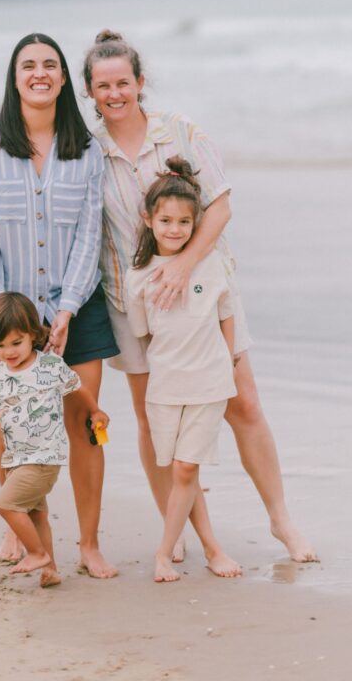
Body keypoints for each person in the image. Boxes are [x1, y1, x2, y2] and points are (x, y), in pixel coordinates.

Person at [83, 29, 317, 564]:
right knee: (153, 419)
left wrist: (184, 265)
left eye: (123, 82)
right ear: (91, 93)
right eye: (103, 86)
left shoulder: (180, 132)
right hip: (133, 303)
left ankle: (281, 521)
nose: (114, 93)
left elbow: (220, 206)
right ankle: (177, 527)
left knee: (244, 404)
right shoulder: (89, 153)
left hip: (204, 293)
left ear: (140, 83)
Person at [0, 32, 120, 579]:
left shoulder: (88, 151)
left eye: (49, 65)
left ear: (62, 79)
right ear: (15, 77)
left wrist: (66, 310)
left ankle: (90, 544)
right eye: (28, 65)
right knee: (10, 428)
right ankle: (24, 527)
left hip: (76, 306)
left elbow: (90, 236)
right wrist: (7, 314)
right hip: (6, 314)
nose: (39, 73)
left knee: (83, 425)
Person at [126, 157, 238, 583]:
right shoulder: (138, 278)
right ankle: (210, 547)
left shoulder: (209, 264)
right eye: (166, 220)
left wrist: (226, 358)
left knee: (187, 469)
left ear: (196, 224)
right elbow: (145, 337)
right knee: (178, 471)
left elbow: (226, 312)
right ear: (149, 219)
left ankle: (163, 552)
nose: (175, 229)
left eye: (184, 222)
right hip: (166, 387)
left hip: (210, 382)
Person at [0, 292, 110, 588]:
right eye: (0, 345)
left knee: (6, 504)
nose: (9, 352)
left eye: (16, 343)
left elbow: (77, 388)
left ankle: (35, 553)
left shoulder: (48, 367)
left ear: (33, 335)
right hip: (14, 459)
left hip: (45, 457)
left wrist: (95, 410)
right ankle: (51, 569)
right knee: (36, 514)